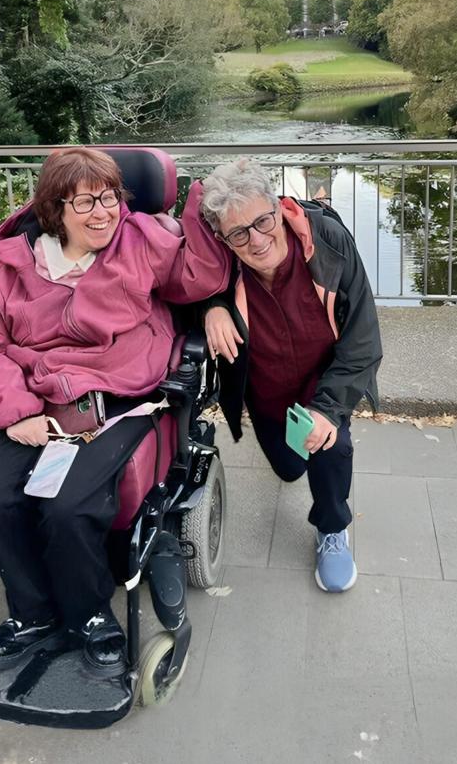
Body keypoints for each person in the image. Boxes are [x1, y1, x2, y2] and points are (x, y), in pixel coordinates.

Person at [0, 147, 228, 673]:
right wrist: (16, 413)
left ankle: (89, 617)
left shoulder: (143, 239)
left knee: (68, 507)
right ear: (55, 209)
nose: (103, 212)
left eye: (110, 197)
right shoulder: (15, 266)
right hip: (31, 401)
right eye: (85, 202)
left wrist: (199, 206)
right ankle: (30, 615)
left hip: (113, 400)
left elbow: (198, 276)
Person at [183, 158, 382, 593]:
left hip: (324, 376)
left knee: (330, 446)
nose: (256, 240)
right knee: (290, 466)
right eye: (239, 233)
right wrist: (210, 306)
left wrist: (330, 410)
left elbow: (363, 338)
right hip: (266, 390)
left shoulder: (327, 241)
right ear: (223, 239)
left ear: (278, 207)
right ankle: (298, 454)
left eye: (262, 221)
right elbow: (177, 290)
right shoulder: (219, 263)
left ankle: (333, 529)